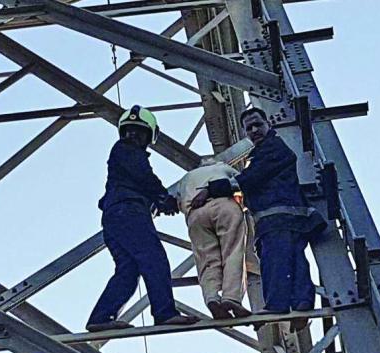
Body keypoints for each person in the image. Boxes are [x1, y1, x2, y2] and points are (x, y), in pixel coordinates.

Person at [190, 107, 326, 314]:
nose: (254, 130)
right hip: (292, 217)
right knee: (295, 259)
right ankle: (302, 303)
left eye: (258, 125)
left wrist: (210, 189)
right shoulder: (272, 150)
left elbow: (249, 179)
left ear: (268, 125)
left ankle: (276, 306)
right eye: (249, 128)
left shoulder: (270, 149)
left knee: (274, 260)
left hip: (275, 218)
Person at [87, 105, 200, 332]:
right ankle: (165, 312)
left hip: (114, 217)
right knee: (154, 259)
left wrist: (158, 201)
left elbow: (139, 179)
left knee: (128, 270)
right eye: (131, 132)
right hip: (128, 212)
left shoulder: (121, 151)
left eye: (136, 132)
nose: (133, 136)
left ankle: (101, 317)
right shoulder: (128, 150)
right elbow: (143, 176)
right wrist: (161, 197)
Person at [176, 156, 251, 319]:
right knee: (233, 252)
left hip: (195, 214)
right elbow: (244, 184)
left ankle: (212, 298)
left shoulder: (187, 178)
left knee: (207, 260)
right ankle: (231, 298)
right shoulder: (224, 168)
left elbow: (177, 202)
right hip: (225, 206)